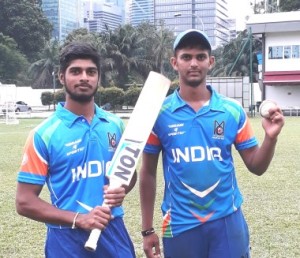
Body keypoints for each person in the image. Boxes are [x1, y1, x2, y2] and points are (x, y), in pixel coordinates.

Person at [139, 29, 285, 258]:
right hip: (179, 223)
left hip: (227, 221)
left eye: (201, 56)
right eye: (186, 57)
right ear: (174, 63)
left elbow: (256, 166)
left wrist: (271, 138)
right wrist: (147, 229)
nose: (194, 63)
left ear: (211, 62)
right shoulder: (159, 113)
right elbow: (147, 173)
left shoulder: (231, 110)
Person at [16, 42, 136, 258]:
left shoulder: (115, 125)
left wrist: (123, 188)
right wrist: (79, 219)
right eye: (75, 71)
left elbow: (130, 176)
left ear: (98, 77)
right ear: (62, 77)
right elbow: (24, 202)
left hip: (113, 229)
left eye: (91, 72)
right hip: (67, 238)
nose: (84, 77)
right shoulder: (43, 134)